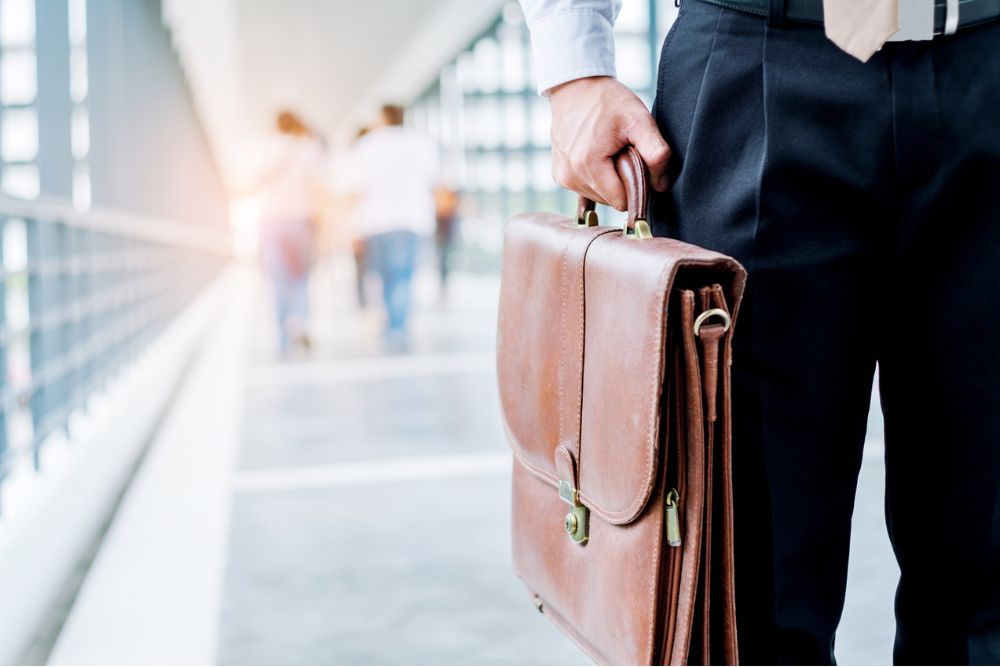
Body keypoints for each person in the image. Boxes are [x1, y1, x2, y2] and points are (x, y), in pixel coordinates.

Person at [519, 0, 1000, 664]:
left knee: (991, 588)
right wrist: (574, 66)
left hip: (990, 52)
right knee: (746, 595)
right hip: (759, 60)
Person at [343, 104, 439, 351]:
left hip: (376, 221)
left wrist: (351, 226)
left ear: (383, 118)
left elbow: (356, 189)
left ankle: (393, 324)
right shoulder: (420, 143)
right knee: (404, 275)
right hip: (413, 219)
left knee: (385, 276)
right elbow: (435, 182)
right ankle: (398, 325)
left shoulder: (367, 146)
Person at [255, 110, 327, 356]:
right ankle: (301, 322)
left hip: (272, 220)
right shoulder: (309, 148)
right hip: (302, 219)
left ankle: (281, 335)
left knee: (277, 279)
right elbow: (318, 187)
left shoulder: (267, 148)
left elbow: (254, 181)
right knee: (301, 277)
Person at [433, 186, 460, 297]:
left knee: (444, 260)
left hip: (446, 236)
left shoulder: (451, 199)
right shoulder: (443, 200)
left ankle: (444, 284)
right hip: (442, 236)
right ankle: (442, 284)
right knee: (442, 260)